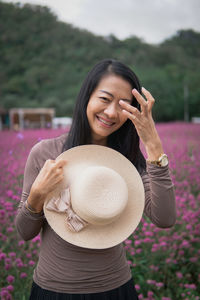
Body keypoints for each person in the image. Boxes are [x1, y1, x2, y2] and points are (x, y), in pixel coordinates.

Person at [15, 59, 176, 299]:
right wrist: (37, 195)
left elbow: (164, 218)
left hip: (116, 288)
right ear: (86, 98)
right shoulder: (45, 153)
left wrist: (153, 145)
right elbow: (24, 232)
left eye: (123, 105)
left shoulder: (127, 159)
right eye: (104, 98)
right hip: (54, 290)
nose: (111, 112)